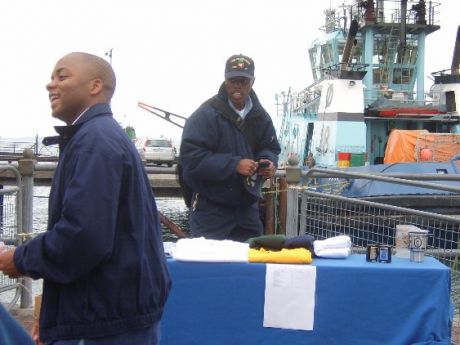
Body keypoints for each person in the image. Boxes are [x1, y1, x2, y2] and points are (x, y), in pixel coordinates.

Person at [0, 52, 171, 345]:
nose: (50, 85)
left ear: (95, 86)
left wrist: (19, 258)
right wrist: (53, 312)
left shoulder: (95, 142)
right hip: (114, 310)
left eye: (61, 76)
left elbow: (84, 237)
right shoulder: (100, 136)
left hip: (102, 321)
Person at [180, 54, 281, 242]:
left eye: (243, 80)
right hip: (210, 210)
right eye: (233, 80)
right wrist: (234, 165)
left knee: (249, 267)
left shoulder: (261, 117)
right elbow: (190, 159)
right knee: (206, 268)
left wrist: (268, 162)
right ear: (225, 80)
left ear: (252, 82)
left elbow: (270, 147)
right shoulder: (204, 115)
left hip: (247, 210)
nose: (238, 85)